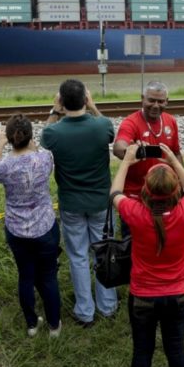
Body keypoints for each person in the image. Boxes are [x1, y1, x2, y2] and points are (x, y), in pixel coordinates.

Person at [111, 143, 184, 367]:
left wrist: (127, 161)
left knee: (142, 350)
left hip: (143, 296)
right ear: (176, 191)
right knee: (176, 348)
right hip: (178, 294)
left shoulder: (135, 213)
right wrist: (173, 160)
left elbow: (115, 192)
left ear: (144, 191)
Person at [42, 79, 117, 327]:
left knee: (78, 256)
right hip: (100, 201)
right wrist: (93, 107)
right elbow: (110, 132)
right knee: (103, 252)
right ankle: (108, 306)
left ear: (62, 102)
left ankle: (85, 311)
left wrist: (54, 111)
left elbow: (43, 139)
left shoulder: (54, 132)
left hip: (71, 202)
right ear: (85, 99)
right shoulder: (102, 125)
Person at [0, 114, 62, 336]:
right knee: (48, 277)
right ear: (30, 136)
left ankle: (32, 324)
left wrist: (0, 146)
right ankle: (54, 325)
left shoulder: (4, 165)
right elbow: (40, 152)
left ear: (10, 138)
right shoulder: (45, 158)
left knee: (26, 276)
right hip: (45, 226)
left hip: (16, 230)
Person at [113, 81, 183, 235]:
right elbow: (118, 148)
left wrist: (181, 182)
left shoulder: (171, 121)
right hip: (136, 197)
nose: (156, 105)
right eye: (151, 100)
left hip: (165, 194)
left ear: (167, 101)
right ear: (142, 99)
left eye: (160, 101)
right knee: (134, 241)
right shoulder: (131, 122)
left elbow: (176, 152)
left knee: (164, 238)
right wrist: (133, 152)